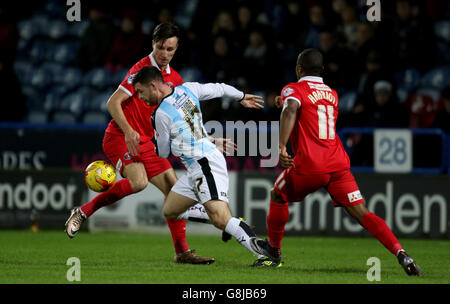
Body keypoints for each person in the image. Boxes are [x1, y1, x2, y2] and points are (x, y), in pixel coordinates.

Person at [254, 48, 422, 277]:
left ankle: (273, 252)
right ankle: (402, 254)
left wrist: (282, 146)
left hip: (310, 165)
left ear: (299, 69)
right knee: (363, 213)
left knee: (277, 195)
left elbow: (292, 108)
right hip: (337, 164)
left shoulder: (293, 88)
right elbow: (305, 107)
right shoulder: (333, 94)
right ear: (322, 70)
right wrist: (284, 101)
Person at [65, 23, 218, 265]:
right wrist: (127, 131)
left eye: (170, 49)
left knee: (174, 190)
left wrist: (208, 138)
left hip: (147, 142)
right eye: (160, 47)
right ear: (153, 44)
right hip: (120, 137)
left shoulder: (175, 79)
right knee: (138, 182)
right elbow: (112, 103)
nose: (164, 54)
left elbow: (184, 116)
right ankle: (83, 212)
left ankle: (182, 253)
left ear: (176, 49)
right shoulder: (140, 70)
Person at [131, 65, 279, 263]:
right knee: (171, 209)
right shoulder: (188, 89)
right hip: (197, 166)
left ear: (153, 85)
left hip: (204, 164)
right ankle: (226, 220)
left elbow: (164, 152)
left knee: (221, 219)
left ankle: (266, 253)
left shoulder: (160, 114)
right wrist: (241, 97)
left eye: (141, 91)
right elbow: (220, 88)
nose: (140, 97)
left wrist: (158, 142)